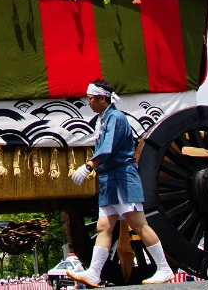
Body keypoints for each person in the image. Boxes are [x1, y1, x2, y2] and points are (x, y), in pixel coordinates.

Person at [66, 80, 174, 286]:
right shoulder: (103, 119)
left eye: (90, 99)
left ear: (101, 98)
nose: (88, 102)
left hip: (122, 177)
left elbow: (108, 149)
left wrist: (88, 166)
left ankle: (164, 267)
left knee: (138, 224)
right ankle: (94, 273)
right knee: (103, 227)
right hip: (109, 180)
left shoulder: (115, 118)